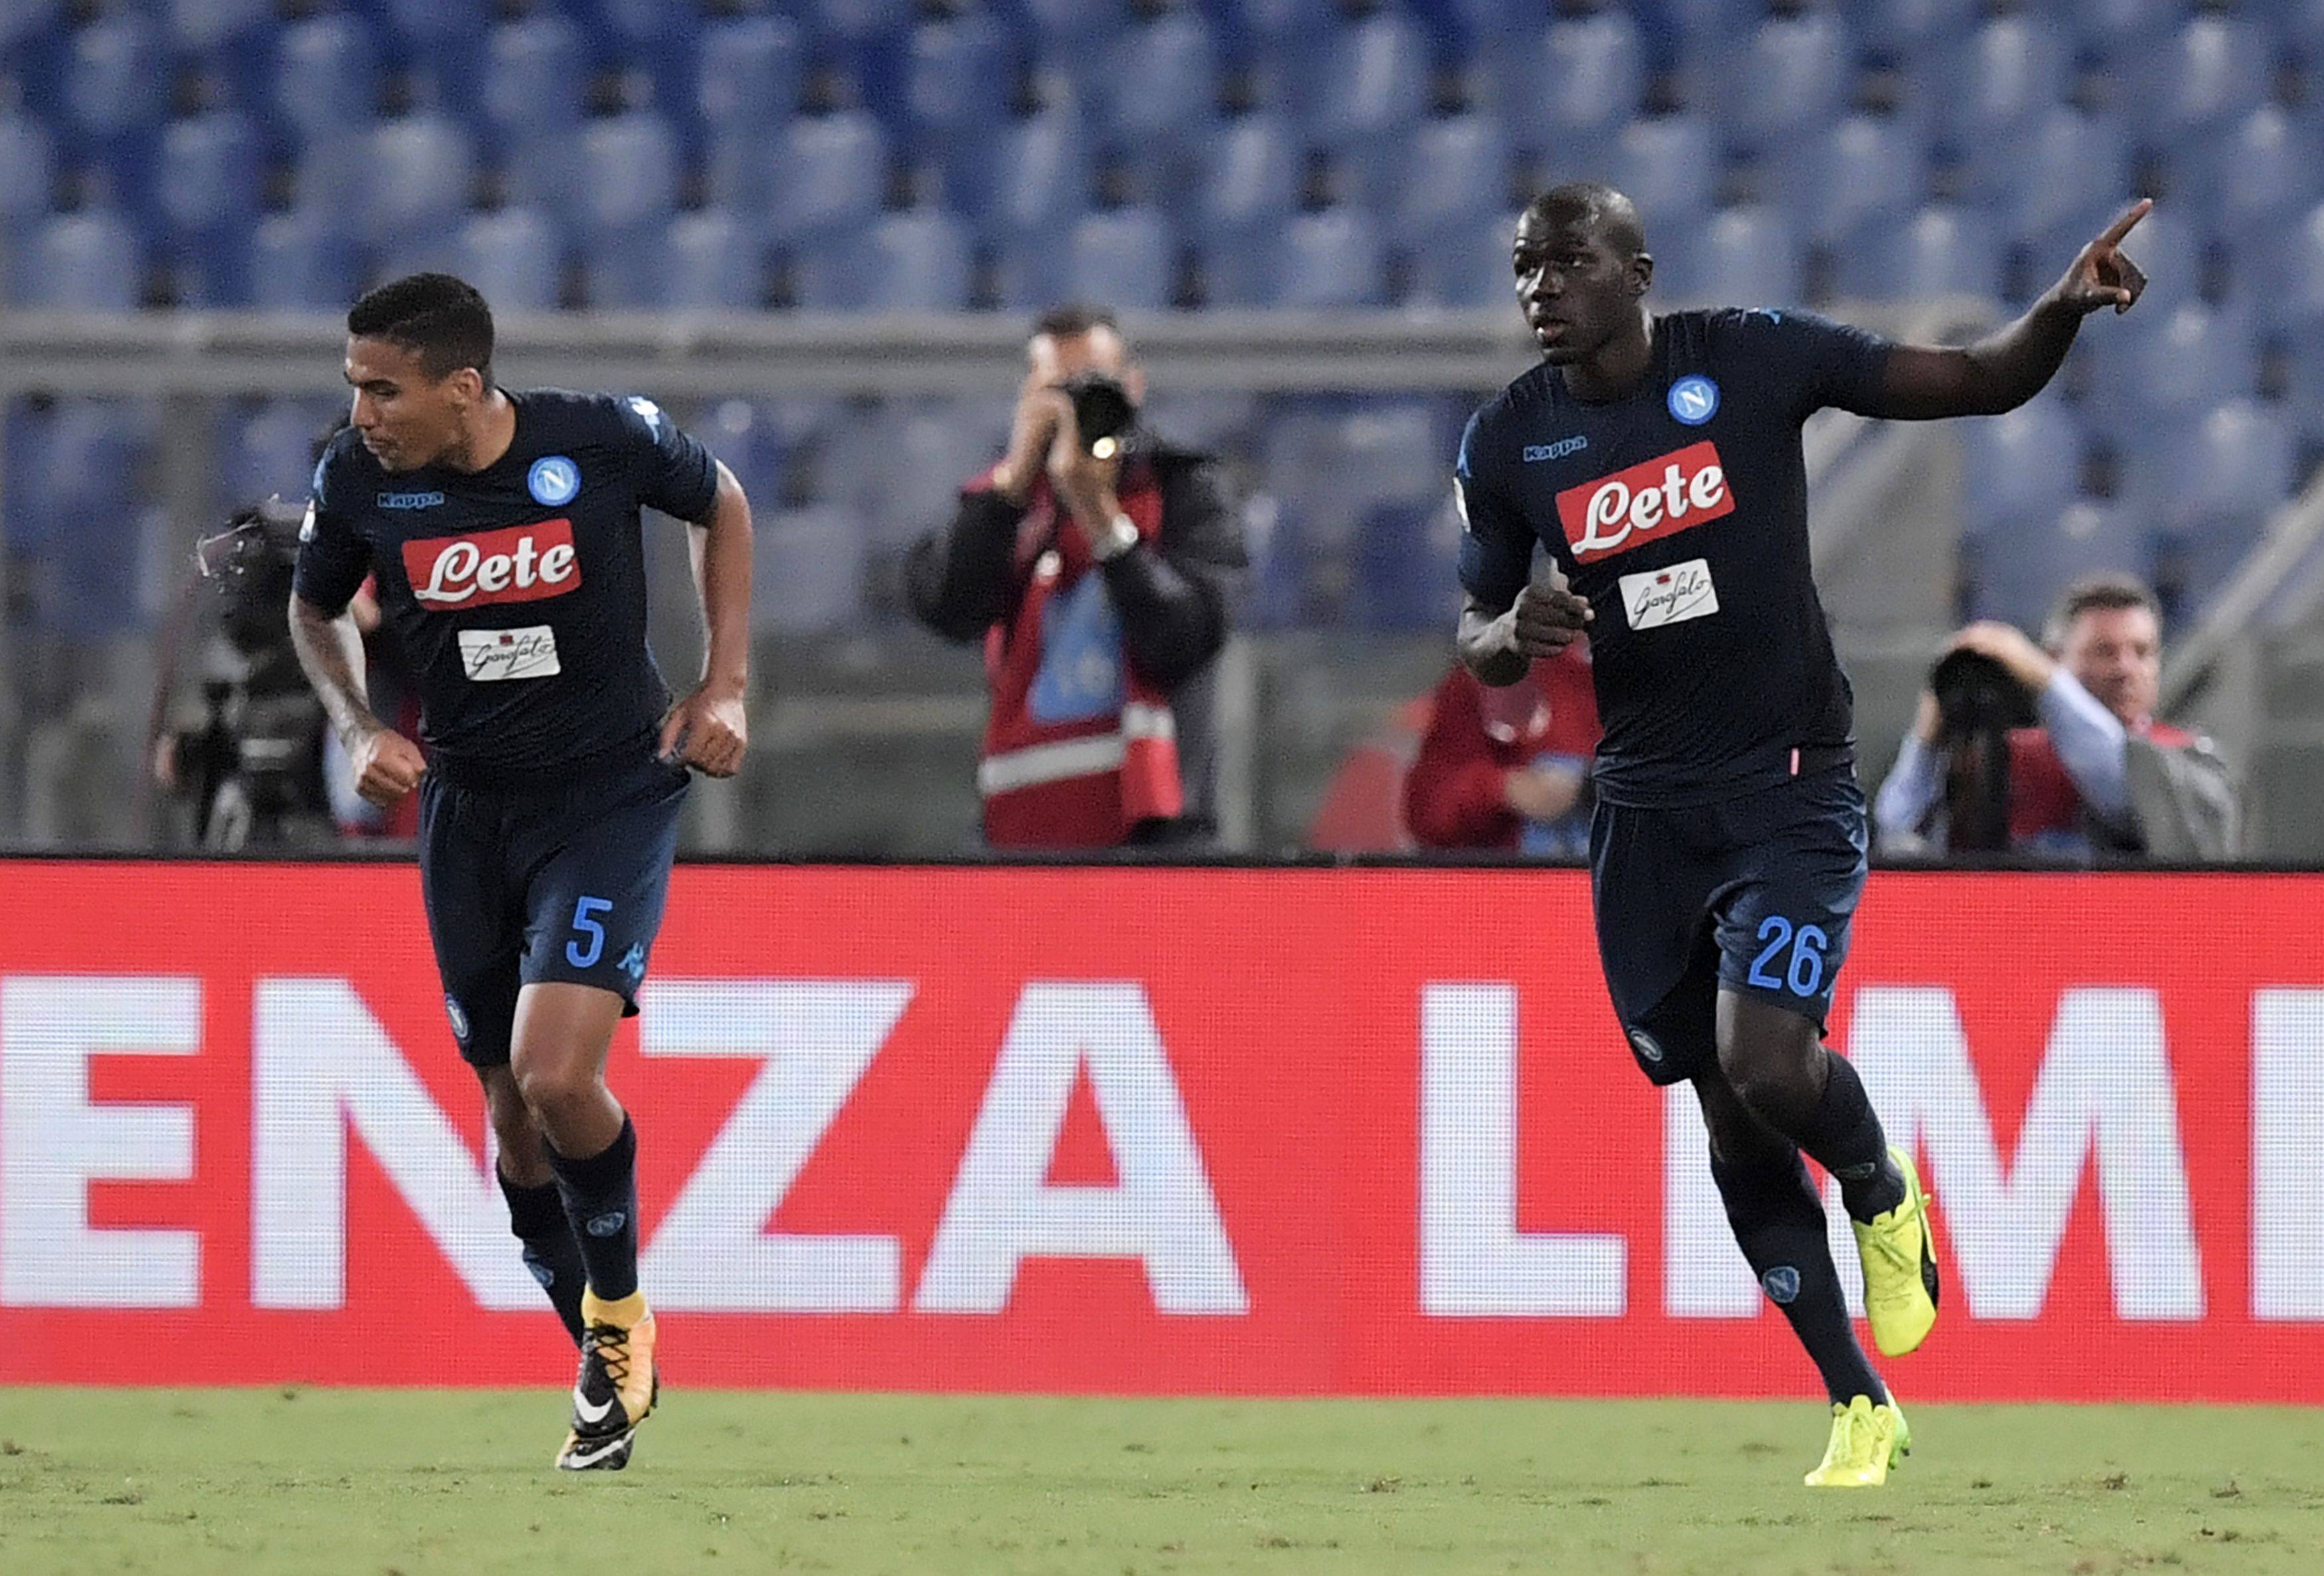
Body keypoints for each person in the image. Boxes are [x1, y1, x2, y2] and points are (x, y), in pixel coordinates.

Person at [1453, 183, 2151, 1486]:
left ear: (1635, 269)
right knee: (1728, 1122)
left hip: (1785, 784)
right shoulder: (1508, 444)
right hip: (1643, 812)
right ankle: (1856, 1401)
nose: (1540, 287)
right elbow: (1477, 630)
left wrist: (2057, 312)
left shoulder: (1748, 357)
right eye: (1522, 269)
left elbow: (1975, 379)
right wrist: (1513, 635)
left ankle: (1883, 1191)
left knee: (1767, 1060)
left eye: (1566, 262)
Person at [287, 274, 754, 1472]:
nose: (364, 412)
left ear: (462, 384)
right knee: (511, 1123)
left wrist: (726, 683)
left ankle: (616, 1320)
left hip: (606, 798)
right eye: (354, 387)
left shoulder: (599, 441)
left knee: (555, 1076)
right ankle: (612, 1368)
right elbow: (314, 605)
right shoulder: (360, 479)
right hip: (467, 812)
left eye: (383, 389)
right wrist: (353, 724)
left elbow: (725, 503)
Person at [904, 306, 1245, 848]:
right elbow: (948, 608)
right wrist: (1013, 483)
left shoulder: (1184, 488)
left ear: (1133, 389)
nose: (1076, 411)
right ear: (1028, 399)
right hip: (1018, 835)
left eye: (1095, 390)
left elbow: (1187, 636)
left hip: (1159, 839)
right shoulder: (1005, 506)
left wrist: (1100, 516)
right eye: (1056, 393)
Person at [1874, 575, 2239, 859]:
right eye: (2104, 652)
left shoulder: (2188, 757)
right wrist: (1929, 732)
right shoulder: (2008, 756)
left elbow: (2127, 793)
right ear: (2056, 656)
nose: (2126, 668)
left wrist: (2042, 678)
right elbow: (1897, 835)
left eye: (2142, 652)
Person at [1403, 642, 1599, 854]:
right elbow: (1428, 815)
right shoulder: (1477, 683)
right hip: (1505, 877)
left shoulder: (1600, 681)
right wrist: (1504, 789)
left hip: (1608, 874)